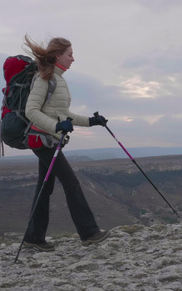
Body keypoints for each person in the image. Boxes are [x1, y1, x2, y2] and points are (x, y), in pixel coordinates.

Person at [22, 35, 109, 251]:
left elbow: (63, 114)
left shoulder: (57, 79)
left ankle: (34, 238)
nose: (73, 59)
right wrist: (56, 127)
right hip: (41, 140)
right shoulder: (45, 77)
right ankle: (89, 233)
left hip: (48, 139)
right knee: (71, 183)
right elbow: (30, 111)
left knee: (45, 188)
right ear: (58, 55)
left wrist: (91, 121)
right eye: (70, 54)